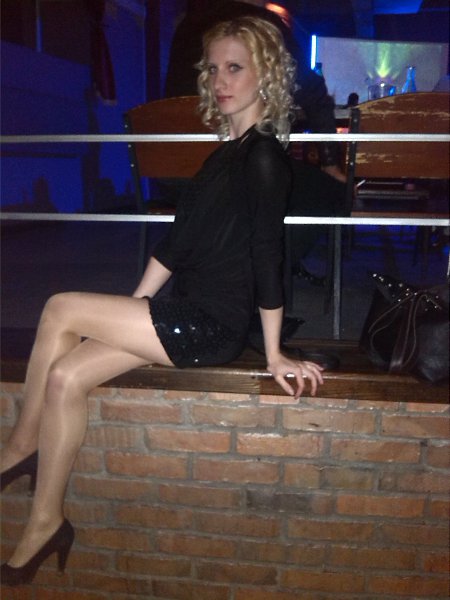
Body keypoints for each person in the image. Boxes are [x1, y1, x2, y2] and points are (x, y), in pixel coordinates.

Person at [0, 16, 324, 586]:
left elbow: (267, 255)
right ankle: (46, 521)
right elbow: (175, 246)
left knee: (58, 306)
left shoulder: (264, 157)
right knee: (65, 377)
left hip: (211, 324)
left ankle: (18, 448)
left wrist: (275, 353)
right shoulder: (224, 155)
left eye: (235, 68)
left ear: (265, 76)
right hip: (181, 313)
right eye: (214, 69)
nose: (220, 81)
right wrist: (126, 314)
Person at [164, 0, 347, 285]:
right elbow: (312, 91)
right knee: (328, 190)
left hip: (171, 165)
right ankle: (264, 273)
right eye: (213, 70)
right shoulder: (262, 26)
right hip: (232, 164)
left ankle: (248, 267)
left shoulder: (186, 26)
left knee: (269, 183)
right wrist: (330, 161)